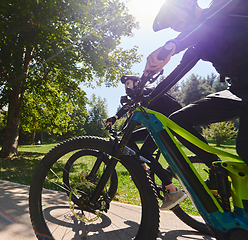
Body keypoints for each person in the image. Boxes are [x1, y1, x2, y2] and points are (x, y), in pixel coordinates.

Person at [144, 0, 248, 189]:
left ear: (190, 5)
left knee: (245, 147)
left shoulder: (224, 5)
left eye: (174, 17)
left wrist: (172, 45)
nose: (174, 26)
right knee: (177, 120)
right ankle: (217, 171)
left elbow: (207, 23)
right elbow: (175, 75)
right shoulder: (198, 45)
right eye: (170, 25)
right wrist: (144, 95)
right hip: (237, 90)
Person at [105, 76, 187, 210]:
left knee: (145, 153)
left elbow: (131, 106)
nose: (126, 86)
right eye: (125, 85)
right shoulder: (139, 98)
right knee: (129, 138)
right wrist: (115, 119)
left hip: (168, 124)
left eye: (128, 83)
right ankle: (143, 168)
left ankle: (172, 190)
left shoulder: (147, 90)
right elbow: (129, 112)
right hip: (156, 126)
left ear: (137, 83)